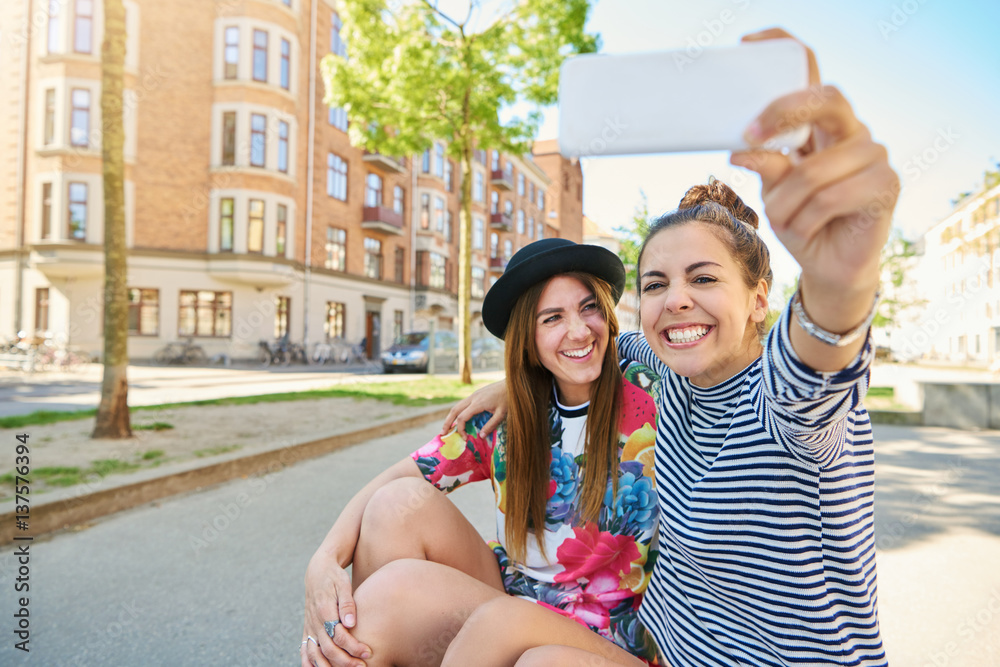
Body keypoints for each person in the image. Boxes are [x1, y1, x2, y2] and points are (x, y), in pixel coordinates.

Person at [444, 29, 897, 666]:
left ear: (760, 299)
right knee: (474, 618)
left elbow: (820, 359)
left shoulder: (788, 401)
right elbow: (593, 345)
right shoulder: (662, 364)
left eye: (705, 279)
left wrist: (841, 282)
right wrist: (519, 378)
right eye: (656, 283)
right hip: (655, 651)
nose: (676, 300)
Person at [301, 238, 663, 667]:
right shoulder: (502, 417)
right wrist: (322, 562)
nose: (580, 330)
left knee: (535, 659)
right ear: (527, 339)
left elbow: (679, 348)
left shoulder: (653, 394)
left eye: (589, 308)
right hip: (510, 599)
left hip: (608, 633)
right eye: (552, 318)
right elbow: (397, 478)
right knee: (394, 505)